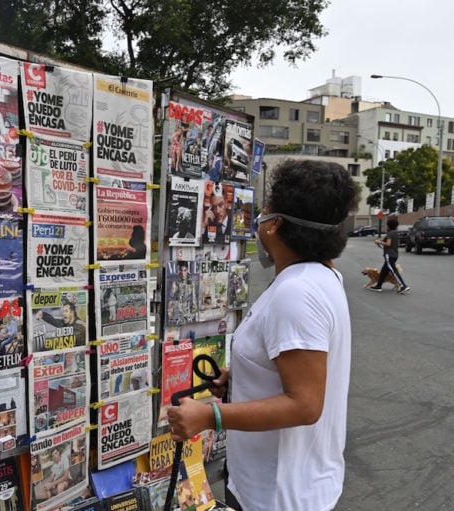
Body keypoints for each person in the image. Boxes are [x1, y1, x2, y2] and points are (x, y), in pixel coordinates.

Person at [168, 159, 358, 511]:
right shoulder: (319, 277)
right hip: (283, 483)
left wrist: (210, 416)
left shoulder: (297, 292)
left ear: (275, 226)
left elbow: (304, 404)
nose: (260, 219)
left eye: (266, 210)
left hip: (278, 495)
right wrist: (240, 382)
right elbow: (289, 368)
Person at [369, 216, 410, 294]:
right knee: (384, 271)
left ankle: (403, 286)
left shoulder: (390, 233)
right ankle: (378, 286)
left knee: (394, 271)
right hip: (395, 254)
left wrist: (379, 242)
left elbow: (388, 244)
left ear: (389, 226)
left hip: (389, 255)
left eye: (387, 225)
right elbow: (397, 244)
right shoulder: (396, 233)